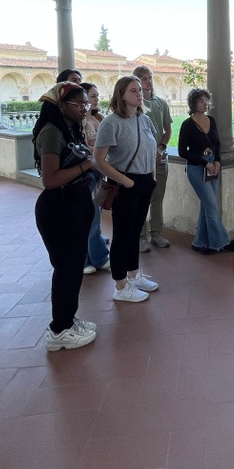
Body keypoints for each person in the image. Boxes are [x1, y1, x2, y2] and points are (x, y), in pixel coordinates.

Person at [32, 82, 100, 350]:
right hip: (59, 207)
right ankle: (59, 330)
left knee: (72, 268)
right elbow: (50, 179)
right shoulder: (51, 132)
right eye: (79, 104)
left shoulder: (68, 127)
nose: (85, 108)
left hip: (75, 202)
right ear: (61, 105)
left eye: (87, 103)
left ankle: (68, 319)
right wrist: (87, 164)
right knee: (67, 269)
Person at [94, 77, 160, 302]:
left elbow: (151, 148)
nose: (140, 93)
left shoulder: (144, 119)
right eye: (134, 90)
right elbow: (99, 160)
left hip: (144, 181)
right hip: (125, 183)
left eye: (140, 89)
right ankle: (120, 285)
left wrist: (150, 175)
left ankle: (133, 274)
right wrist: (127, 181)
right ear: (121, 95)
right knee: (122, 235)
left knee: (135, 230)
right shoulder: (111, 122)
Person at [179, 88, 234, 254]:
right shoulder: (187, 124)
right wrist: (204, 163)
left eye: (206, 100)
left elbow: (218, 144)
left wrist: (218, 161)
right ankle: (220, 242)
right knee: (212, 206)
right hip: (196, 168)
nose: (205, 103)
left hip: (213, 166)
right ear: (193, 103)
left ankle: (200, 242)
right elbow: (182, 152)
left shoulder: (211, 120)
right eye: (201, 101)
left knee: (207, 206)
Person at [134, 65, 173, 252]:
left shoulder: (161, 103)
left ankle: (156, 233)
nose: (148, 81)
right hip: (141, 161)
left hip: (159, 158)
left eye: (149, 77)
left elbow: (168, 130)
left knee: (158, 198)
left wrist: (161, 148)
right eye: (143, 78)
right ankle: (141, 237)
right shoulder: (135, 106)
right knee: (142, 199)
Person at [79, 83, 111, 275]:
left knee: (96, 213)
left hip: (100, 170)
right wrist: (99, 152)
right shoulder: (81, 122)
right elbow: (82, 148)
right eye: (92, 96)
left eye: (97, 96)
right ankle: (88, 259)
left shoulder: (100, 119)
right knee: (89, 216)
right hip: (86, 171)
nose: (96, 99)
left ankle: (96, 256)